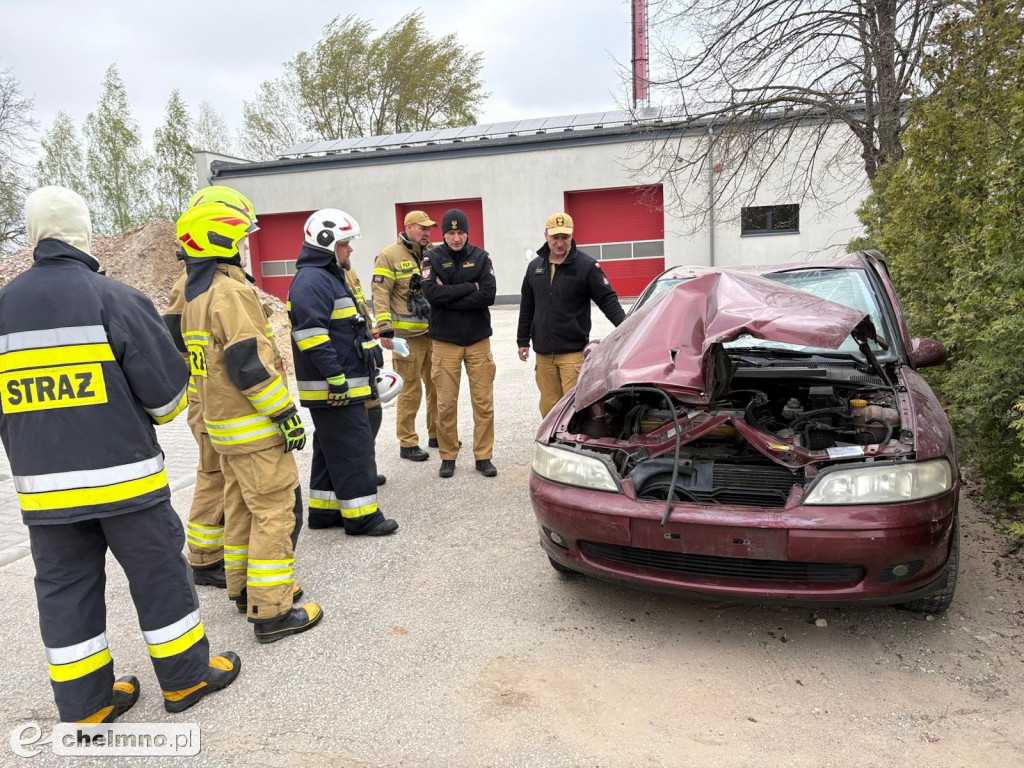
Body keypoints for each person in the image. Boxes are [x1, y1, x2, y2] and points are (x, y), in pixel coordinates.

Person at [0, 187, 239, 722]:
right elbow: (168, 400)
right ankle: (185, 680)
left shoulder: (3, 308)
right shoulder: (114, 298)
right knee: (158, 578)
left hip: (44, 494)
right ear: (82, 231)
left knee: (65, 592)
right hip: (126, 485)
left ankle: (86, 706)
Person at [178, 201, 323, 643]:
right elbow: (250, 365)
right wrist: (285, 413)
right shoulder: (230, 293)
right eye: (238, 237)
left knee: (242, 507)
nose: (243, 245)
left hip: (223, 428)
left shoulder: (193, 293)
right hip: (255, 428)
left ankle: (244, 589)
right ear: (218, 240)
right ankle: (273, 609)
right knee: (275, 513)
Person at [163, 185, 259, 590]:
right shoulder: (193, 281)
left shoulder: (203, 277)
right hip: (210, 397)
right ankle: (204, 558)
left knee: (218, 474)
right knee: (212, 474)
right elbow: (176, 337)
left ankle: (214, 554)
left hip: (210, 394)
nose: (241, 245)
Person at [287, 208, 399, 536]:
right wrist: (336, 379)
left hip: (341, 383)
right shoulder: (313, 280)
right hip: (335, 387)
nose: (350, 249)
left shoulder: (325, 276)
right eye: (344, 243)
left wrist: (371, 360)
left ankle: (324, 512)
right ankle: (363, 517)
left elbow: (346, 330)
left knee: (329, 448)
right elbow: (312, 336)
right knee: (353, 447)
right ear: (326, 243)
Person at [517, 212, 625, 416]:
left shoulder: (587, 266)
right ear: (546, 236)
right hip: (543, 354)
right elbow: (528, 306)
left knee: (574, 408)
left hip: (572, 354)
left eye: (564, 237)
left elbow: (607, 300)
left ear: (572, 236)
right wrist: (522, 340)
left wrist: (627, 326)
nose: (560, 243)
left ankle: (572, 445)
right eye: (555, 237)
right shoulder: (534, 268)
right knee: (549, 407)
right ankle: (552, 445)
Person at [421, 209, 497, 479]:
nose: (456, 238)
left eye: (460, 232)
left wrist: (449, 294)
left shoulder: (481, 257)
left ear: (467, 232)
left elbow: (488, 294)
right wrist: (470, 287)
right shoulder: (432, 257)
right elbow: (431, 293)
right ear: (443, 234)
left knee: (483, 403)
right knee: (445, 404)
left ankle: (483, 456)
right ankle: (448, 455)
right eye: (451, 233)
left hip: (477, 341)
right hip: (445, 342)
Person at [372, 211, 439, 462]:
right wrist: (385, 328)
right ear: (408, 227)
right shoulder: (389, 255)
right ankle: (408, 442)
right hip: (406, 338)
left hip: (432, 333)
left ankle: (437, 434)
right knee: (410, 390)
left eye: (428, 229)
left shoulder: (432, 253)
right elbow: (380, 294)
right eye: (422, 228)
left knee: (438, 387)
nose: (427, 233)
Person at [343, 262, 387, 486]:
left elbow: (360, 307)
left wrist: (372, 337)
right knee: (352, 420)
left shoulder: (349, 269)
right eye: (344, 243)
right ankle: (358, 471)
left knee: (373, 411)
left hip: (363, 352)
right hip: (346, 358)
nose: (350, 249)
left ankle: (367, 465)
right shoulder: (321, 277)